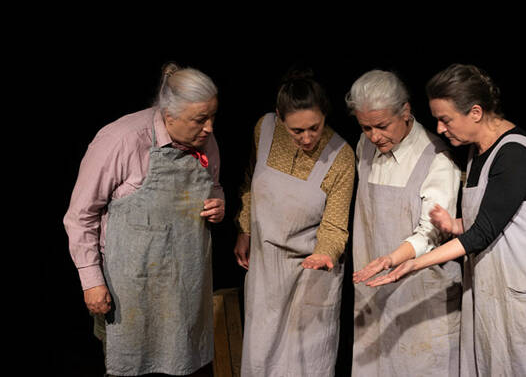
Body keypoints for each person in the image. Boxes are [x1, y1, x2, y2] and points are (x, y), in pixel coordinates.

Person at [359, 64, 526, 376]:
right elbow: (499, 218)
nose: (439, 129)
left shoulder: (515, 155)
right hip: (497, 294)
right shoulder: (477, 152)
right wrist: (455, 224)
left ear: (475, 112)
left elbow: (483, 234)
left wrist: (411, 264)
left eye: (445, 119)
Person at [64, 63, 225, 377]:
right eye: (200, 119)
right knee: (130, 367)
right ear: (169, 115)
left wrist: (218, 203)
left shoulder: (206, 141)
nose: (209, 128)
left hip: (185, 285)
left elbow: (215, 185)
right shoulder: (121, 139)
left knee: (185, 366)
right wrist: (91, 281)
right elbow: (80, 216)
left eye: (213, 116)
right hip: (129, 289)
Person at [233, 70, 355, 377]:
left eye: (314, 127)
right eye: (297, 131)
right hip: (266, 268)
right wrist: (244, 228)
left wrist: (325, 253)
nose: (307, 138)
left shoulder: (341, 156)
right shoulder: (265, 129)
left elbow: (335, 225)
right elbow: (250, 180)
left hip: (311, 271)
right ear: (279, 118)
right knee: (261, 357)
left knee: (303, 365)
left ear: (325, 115)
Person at [348, 70, 462, 376]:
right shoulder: (365, 146)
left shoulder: (436, 159)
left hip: (422, 301)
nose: (374, 136)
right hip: (376, 294)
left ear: (406, 111)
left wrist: (391, 258)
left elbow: (431, 233)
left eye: (382, 126)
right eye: (366, 127)